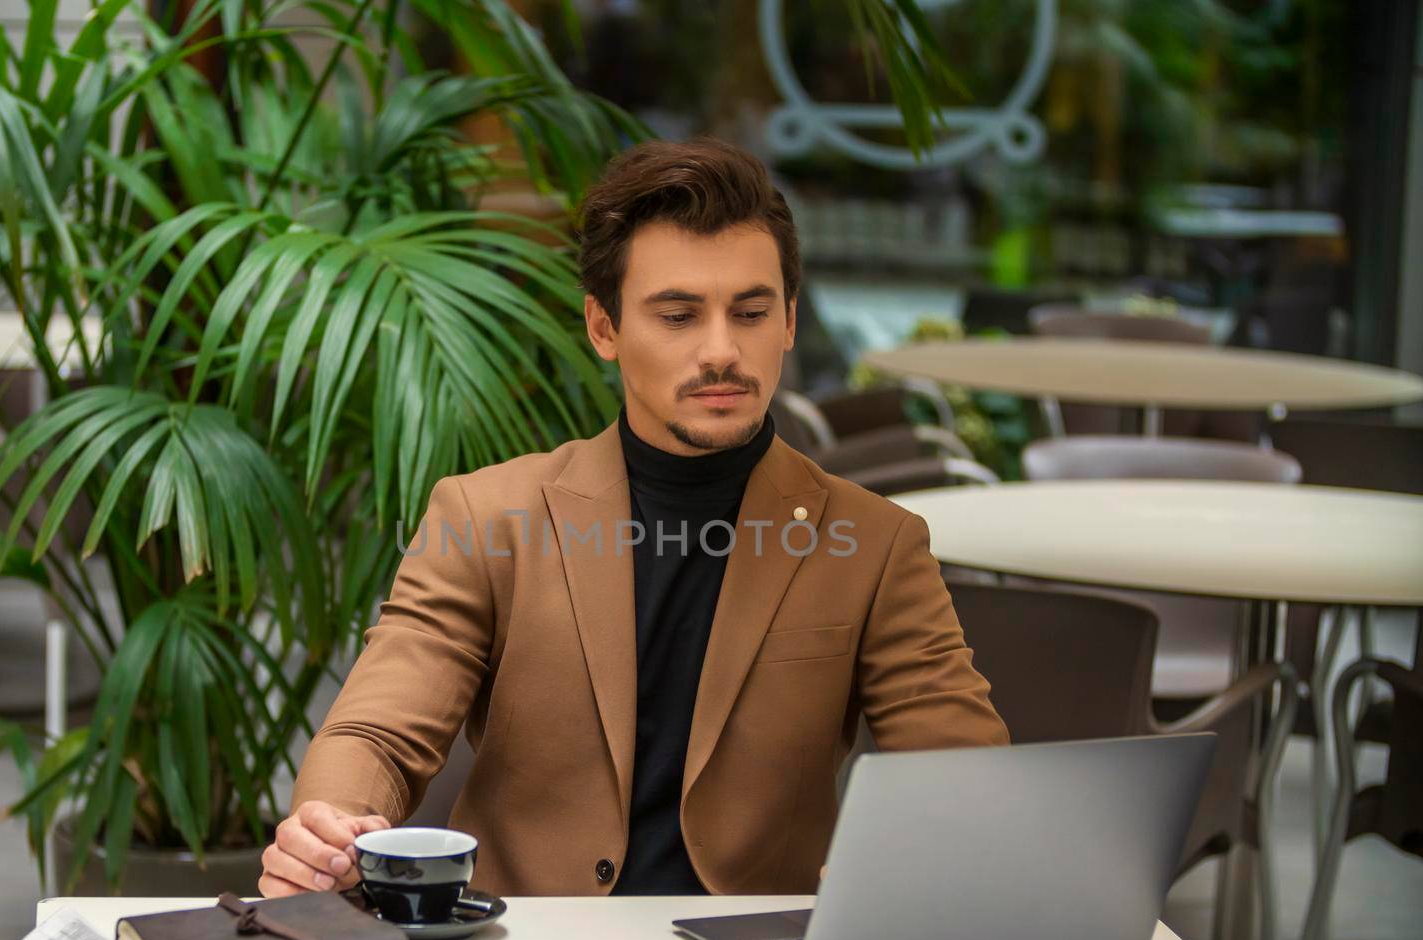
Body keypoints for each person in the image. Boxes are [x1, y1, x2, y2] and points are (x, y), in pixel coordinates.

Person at [260, 138, 1008, 900]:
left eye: (750, 312)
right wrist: (331, 827)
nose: (722, 351)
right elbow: (376, 734)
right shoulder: (486, 518)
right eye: (678, 315)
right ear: (604, 329)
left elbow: (961, 777)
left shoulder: (874, 543)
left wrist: (914, 862)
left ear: (788, 321)